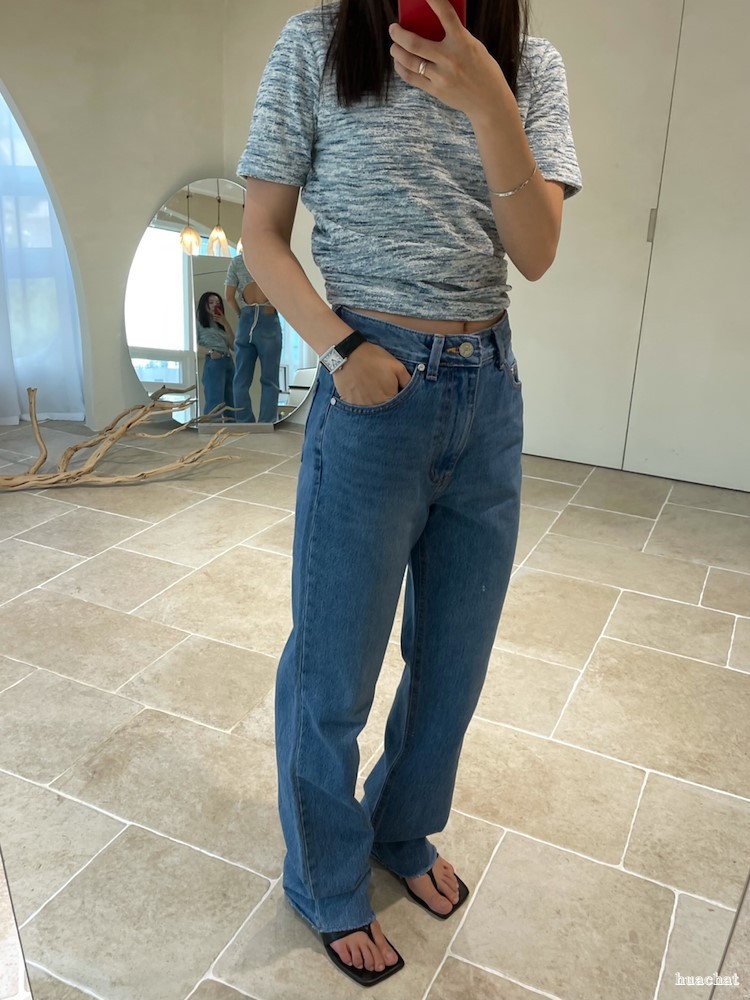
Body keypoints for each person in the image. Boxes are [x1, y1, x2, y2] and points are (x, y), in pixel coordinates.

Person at [239, 0, 581, 986]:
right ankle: (323, 873)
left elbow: (536, 252)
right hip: (371, 383)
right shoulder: (315, 45)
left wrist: (490, 101)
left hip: (487, 393)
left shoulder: (530, 67)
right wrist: (340, 350)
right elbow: (261, 234)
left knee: (452, 664)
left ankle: (401, 827)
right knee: (333, 670)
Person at [225, 254, 283, 423]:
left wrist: (241, 315)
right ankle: (266, 423)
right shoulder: (272, 257)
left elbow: (229, 296)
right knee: (270, 380)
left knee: (240, 380)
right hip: (268, 317)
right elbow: (285, 292)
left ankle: (244, 422)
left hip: (246, 319)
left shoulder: (237, 261)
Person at [195, 291, 234, 419]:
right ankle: (212, 428)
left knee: (232, 400)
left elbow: (233, 346)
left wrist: (225, 323)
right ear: (204, 305)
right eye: (211, 302)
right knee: (215, 400)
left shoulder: (221, 325)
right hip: (214, 361)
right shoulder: (198, 323)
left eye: (217, 303)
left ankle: (232, 428)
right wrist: (210, 352)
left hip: (228, 361)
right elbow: (194, 346)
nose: (214, 305)